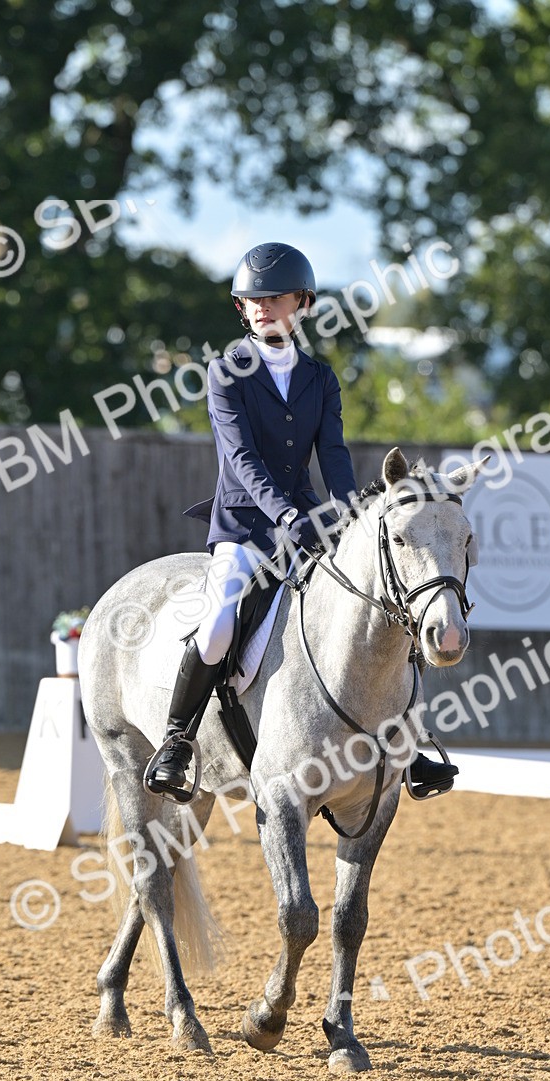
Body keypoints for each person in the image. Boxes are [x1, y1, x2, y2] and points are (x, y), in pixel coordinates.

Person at [146, 241, 457, 799]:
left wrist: (348, 516)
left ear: (303, 304)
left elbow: (333, 454)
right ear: (242, 308)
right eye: (253, 300)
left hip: (310, 524)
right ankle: (178, 738)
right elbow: (240, 460)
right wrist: (285, 511)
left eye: (277, 298)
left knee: (382, 600)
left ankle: (407, 744)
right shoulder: (226, 373)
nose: (264, 307)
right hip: (245, 524)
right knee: (219, 622)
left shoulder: (319, 377)